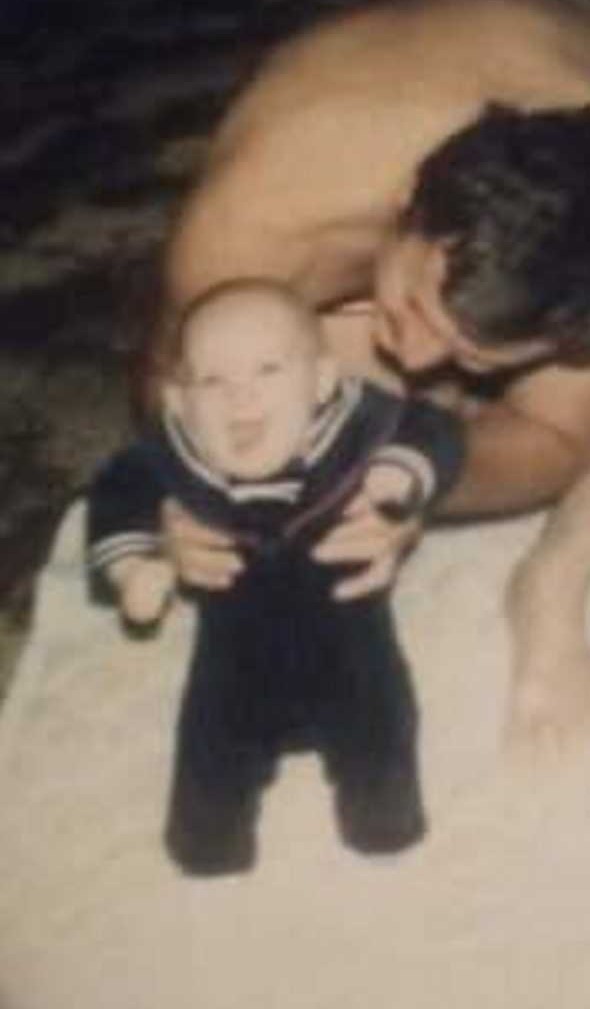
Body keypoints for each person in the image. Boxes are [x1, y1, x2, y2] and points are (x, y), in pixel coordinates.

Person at [155, 0, 590, 754]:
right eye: (418, 312)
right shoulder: (260, 218)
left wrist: (404, 472)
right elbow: (167, 381)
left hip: (587, 53)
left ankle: (554, 583)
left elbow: (553, 442)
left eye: (470, 358)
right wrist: (190, 492)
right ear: (406, 206)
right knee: (288, 390)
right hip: (380, 76)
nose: (423, 360)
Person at [89, 279, 463, 872]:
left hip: (352, 644)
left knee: (382, 735)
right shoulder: (171, 455)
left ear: (320, 381)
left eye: (268, 369)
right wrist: (135, 565)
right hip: (233, 660)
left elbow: (434, 429)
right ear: (180, 403)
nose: (241, 397)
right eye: (212, 381)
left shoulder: (359, 425)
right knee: (210, 757)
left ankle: (383, 822)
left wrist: (403, 474)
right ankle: (210, 847)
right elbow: (116, 493)